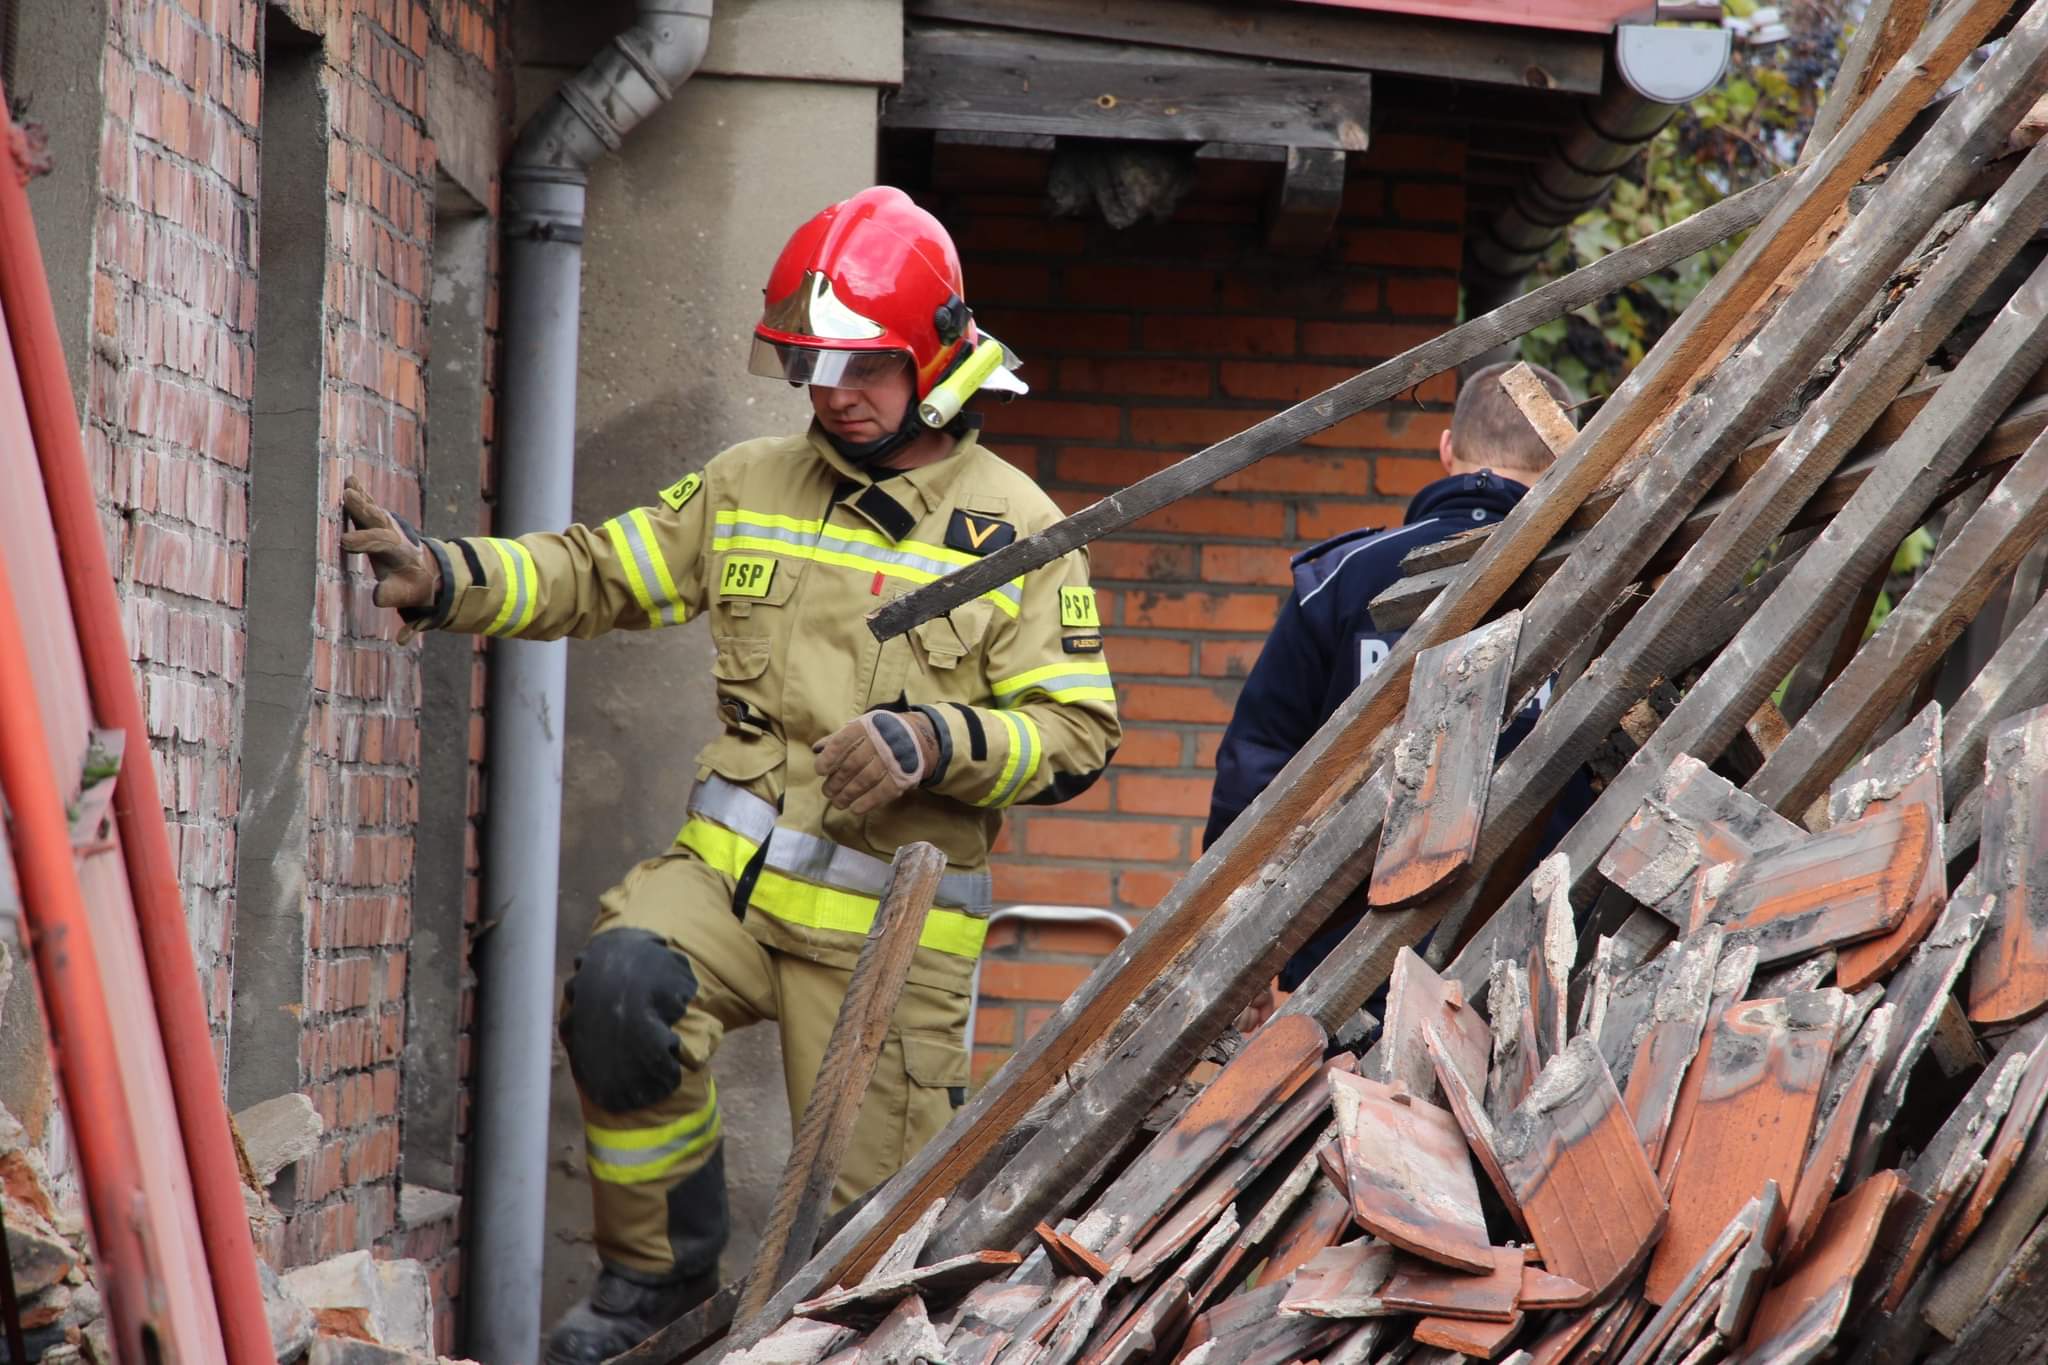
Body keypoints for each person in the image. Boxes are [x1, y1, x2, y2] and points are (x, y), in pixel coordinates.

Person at [340, 187, 1122, 1363]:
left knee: (868, 1256)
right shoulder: (751, 480)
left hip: (884, 939)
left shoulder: (1014, 529)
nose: (829, 394)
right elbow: (598, 572)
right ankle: (655, 1282)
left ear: (937, 361)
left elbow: (1076, 734)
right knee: (617, 990)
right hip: (727, 886)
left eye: (860, 367)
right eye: (811, 364)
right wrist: (444, 578)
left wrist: (931, 742)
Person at [1204, 361, 1575, 994]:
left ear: (1446, 448)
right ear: (1567, 456)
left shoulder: (1343, 577)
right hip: (1538, 963)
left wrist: (1227, 945)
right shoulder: (1601, 580)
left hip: (1341, 967)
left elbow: (1259, 763)